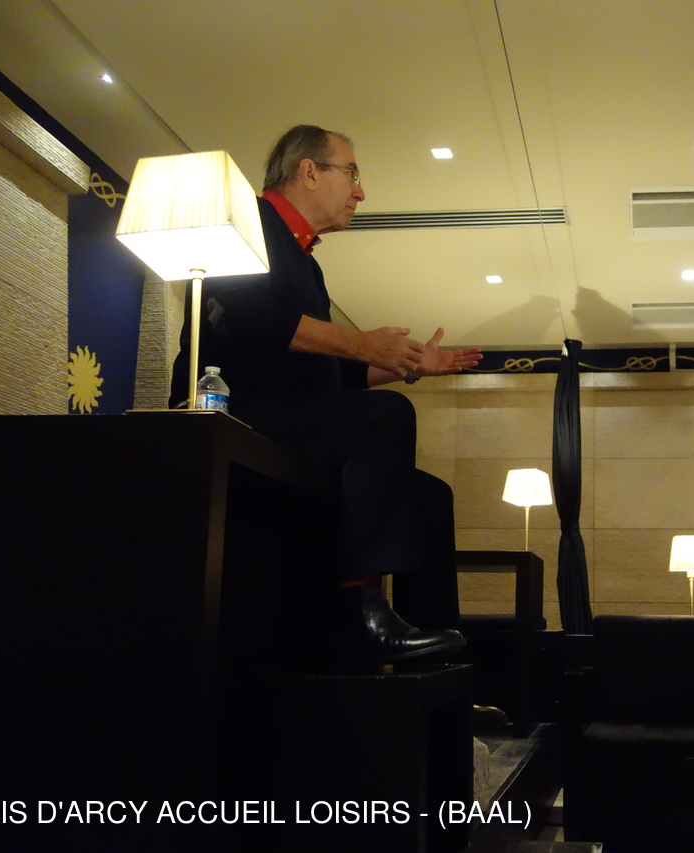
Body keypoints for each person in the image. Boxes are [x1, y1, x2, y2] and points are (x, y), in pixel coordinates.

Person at [169, 125, 482, 664]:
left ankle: (437, 656)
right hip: (239, 412)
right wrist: (360, 343)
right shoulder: (248, 222)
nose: (360, 192)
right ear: (308, 171)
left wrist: (406, 366)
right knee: (385, 417)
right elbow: (241, 316)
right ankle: (360, 611)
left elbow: (328, 378)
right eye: (352, 174)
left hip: (291, 412)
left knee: (429, 495)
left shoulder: (305, 262)